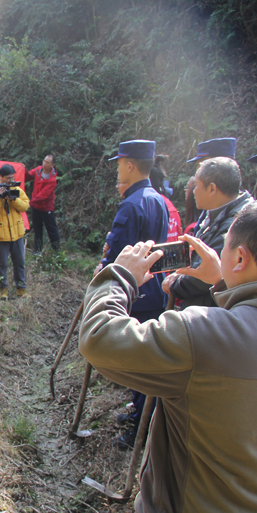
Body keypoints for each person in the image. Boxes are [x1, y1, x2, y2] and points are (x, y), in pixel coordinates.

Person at [78, 201, 257, 513]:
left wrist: (119, 278)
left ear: (241, 257)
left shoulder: (204, 335)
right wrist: (223, 283)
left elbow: (99, 340)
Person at [99, 139, 169, 449]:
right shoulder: (157, 199)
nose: (116, 170)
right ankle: (138, 412)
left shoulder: (132, 204)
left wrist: (102, 276)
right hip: (153, 289)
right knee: (144, 358)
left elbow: (117, 256)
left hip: (135, 291)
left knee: (139, 362)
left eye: (118, 164)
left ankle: (139, 429)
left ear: (129, 165)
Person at [163, 157, 252, 309]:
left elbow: (208, 272)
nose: (193, 191)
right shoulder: (211, 211)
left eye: (195, 186)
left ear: (212, 189)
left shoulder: (239, 224)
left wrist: (174, 284)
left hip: (213, 312)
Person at [0, 164, 30, 300]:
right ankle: (2, 290)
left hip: (16, 233)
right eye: (8, 178)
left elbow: (25, 205)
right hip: (0, 235)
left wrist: (13, 199)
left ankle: (21, 289)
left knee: (19, 262)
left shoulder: (16, 189)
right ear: (1, 177)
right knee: (1, 264)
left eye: (13, 178)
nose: (11, 180)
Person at [24, 154, 60, 253]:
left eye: (47, 162)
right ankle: (37, 250)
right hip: (36, 207)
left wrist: (30, 203)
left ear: (52, 164)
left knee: (51, 228)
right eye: (44, 161)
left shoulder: (52, 180)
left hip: (46, 208)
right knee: (37, 229)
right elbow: (29, 176)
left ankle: (56, 249)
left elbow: (43, 195)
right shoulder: (38, 170)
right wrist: (23, 169)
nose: (44, 164)